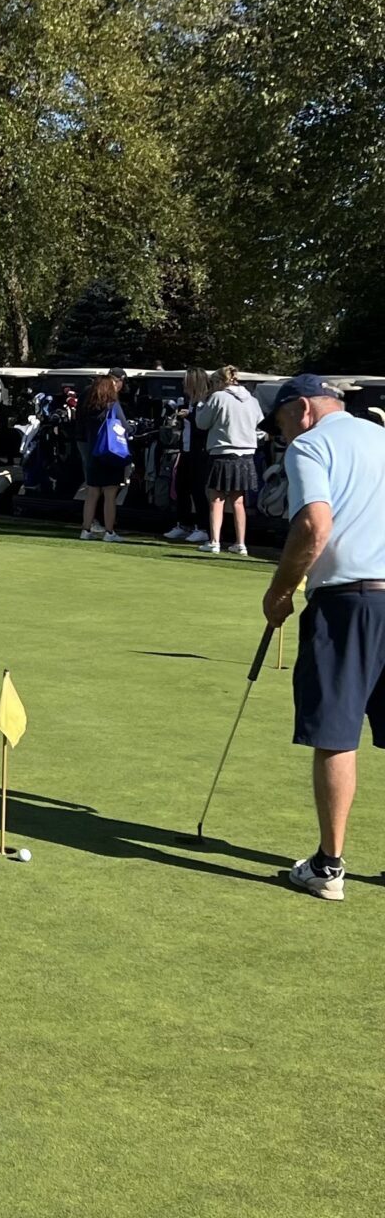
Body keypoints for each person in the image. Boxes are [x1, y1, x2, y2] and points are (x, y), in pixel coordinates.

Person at [260, 376, 385, 901]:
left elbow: (314, 524)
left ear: (303, 408)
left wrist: (281, 589)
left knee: (335, 733)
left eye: (281, 422)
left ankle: (328, 867)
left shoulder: (311, 445)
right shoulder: (381, 437)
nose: (281, 434)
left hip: (350, 603)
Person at [195, 365, 264, 556]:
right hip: (246, 453)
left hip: (222, 451)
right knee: (238, 501)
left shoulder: (218, 397)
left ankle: (215, 541)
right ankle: (240, 543)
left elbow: (202, 423)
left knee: (216, 499)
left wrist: (201, 405)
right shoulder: (252, 400)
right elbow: (260, 425)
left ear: (218, 382)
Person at [163, 367, 212, 544]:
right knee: (181, 487)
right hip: (185, 448)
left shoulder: (207, 400)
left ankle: (203, 527)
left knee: (198, 489)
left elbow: (203, 425)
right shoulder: (186, 400)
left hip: (200, 451)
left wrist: (189, 416)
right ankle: (183, 524)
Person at [77, 375, 127, 543]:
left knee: (92, 493)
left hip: (93, 453)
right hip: (109, 452)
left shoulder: (88, 406)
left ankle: (86, 529)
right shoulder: (113, 405)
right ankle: (109, 531)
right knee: (110, 495)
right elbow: (125, 427)